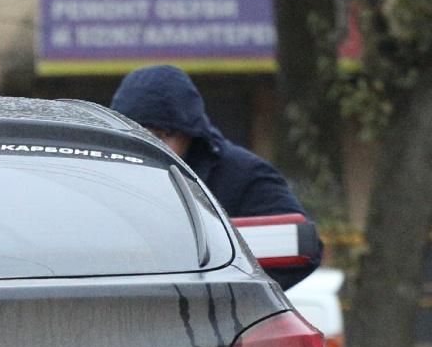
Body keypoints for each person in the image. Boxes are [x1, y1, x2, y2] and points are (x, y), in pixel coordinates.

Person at [109, 66, 319, 245]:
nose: (148, 148)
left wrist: (231, 289)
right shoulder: (102, 178)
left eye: (159, 136)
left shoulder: (244, 176)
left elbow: (296, 243)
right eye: (135, 137)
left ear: (189, 134)